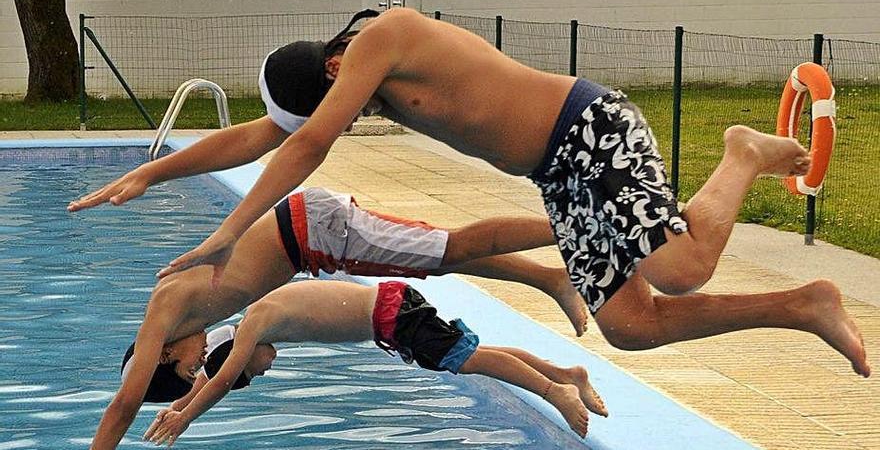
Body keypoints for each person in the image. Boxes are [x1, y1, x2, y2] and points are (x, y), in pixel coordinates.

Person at [150, 7, 868, 379]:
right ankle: (805, 303)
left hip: (589, 126)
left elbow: (306, 144)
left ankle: (740, 152)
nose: (345, 114)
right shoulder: (362, 81)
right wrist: (148, 172)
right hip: (557, 171)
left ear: (336, 64)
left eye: (335, 102)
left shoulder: (383, 39)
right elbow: (268, 135)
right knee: (630, 323)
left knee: (679, 270)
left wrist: (226, 232)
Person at [86, 187, 588, 449]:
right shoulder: (193, 319)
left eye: (187, 367)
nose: (197, 364)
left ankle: (574, 226)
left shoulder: (163, 313)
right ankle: (549, 280)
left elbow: (125, 402)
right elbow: (221, 365)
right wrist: (185, 400)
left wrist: (179, 414)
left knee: (448, 247)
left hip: (314, 228)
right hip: (315, 242)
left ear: (166, 356)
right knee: (445, 255)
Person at [139, 279, 608, 446]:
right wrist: (182, 399)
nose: (264, 369)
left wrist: (184, 418)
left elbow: (219, 378)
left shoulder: (257, 324)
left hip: (391, 316)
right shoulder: (251, 328)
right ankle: (566, 373)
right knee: (472, 354)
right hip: (391, 314)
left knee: (469, 361)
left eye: (254, 372)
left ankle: (555, 392)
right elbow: (212, 373)